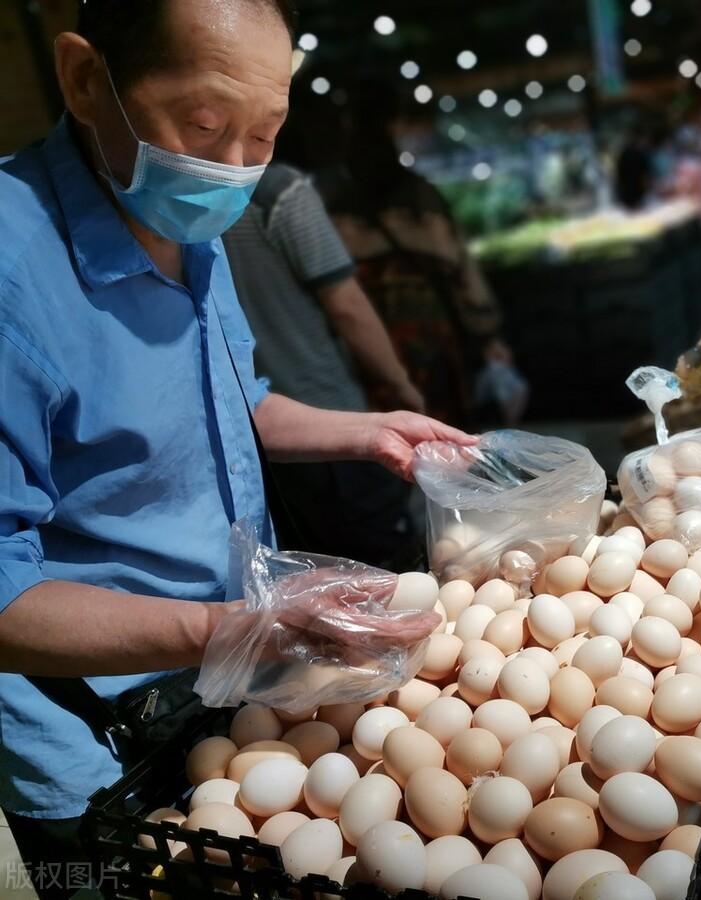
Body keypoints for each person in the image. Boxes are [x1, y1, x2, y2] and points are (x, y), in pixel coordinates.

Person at [0, 1, 465, 894]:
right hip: (92, 741)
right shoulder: (16, 276)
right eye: (206, 126)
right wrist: (233, 631)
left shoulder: (182, 221)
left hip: (213, 685)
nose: (236, 168)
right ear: (87, 79)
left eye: (265, 133)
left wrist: (366, 429)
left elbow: (231, 399)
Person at [223, 161, 426, 568]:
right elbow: (346, 305)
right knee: (389, 572)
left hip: (260, 440)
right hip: (328, 424)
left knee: (317, 571)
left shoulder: (177, 202)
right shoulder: (277, 191)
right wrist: (402, 385)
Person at [311, 85, 518, 429]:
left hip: (365, 355)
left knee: (384, 442)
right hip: (431, 345)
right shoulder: (423, 198)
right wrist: (488, 334)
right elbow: (464, 277)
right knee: (442, 444)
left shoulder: (328, 205)